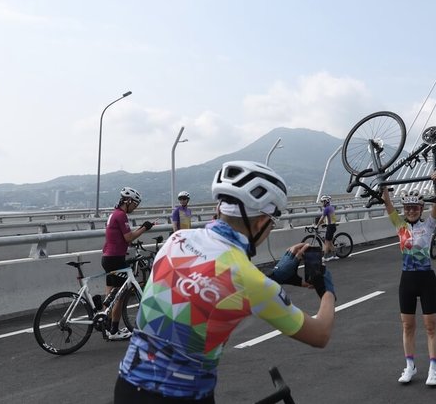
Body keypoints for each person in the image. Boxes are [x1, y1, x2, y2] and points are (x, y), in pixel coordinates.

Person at [115, 161, 335, 403]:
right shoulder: (251, 281)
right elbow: (320, 334)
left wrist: (275, 277)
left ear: (220, 208)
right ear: (262, 222)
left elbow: (209, 289)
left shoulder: (176, 239)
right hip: (185, 396)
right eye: (272, 223)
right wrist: (326, 288)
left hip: (127, 386)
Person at [382, 172, 436, 387]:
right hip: (407, 280)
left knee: (430, 325)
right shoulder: (400, 226)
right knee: (408, 326)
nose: (411, 211)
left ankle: (433, 368)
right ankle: (410, 366)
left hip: (426, 279)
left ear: (420, 209)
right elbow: (387, 203)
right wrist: (384, 182)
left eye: (415, 208)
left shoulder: (428, 225)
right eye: (407, 208)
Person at [102, 187, 154, 341]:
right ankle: (114, 330)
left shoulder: (113, 214)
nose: (135, 208)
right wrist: (145, 227)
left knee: (110, 295)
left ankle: (105, 323)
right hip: (116, 258)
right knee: (120, 295)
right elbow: (128, 237)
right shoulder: (121, 215)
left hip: (107, 257)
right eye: (135, 205)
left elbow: (119, 237)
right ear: (128, 201)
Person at [316, 195, 339, 262]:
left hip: (330, 226)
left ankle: (325, 257)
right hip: (332, 226)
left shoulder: (326, 209)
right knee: (330, 242)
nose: (322, 203)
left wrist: (317, 225)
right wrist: (325, 224)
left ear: (326, 202)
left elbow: (322, 218)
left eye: (323, 202)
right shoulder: (331, 207)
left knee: (327, 242)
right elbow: (329, 218)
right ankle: (335, 255)